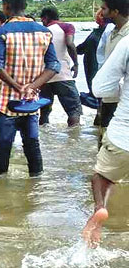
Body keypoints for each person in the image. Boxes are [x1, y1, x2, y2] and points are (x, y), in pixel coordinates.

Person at [0, 0, 60, 176]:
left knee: (3, 148)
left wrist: (17, 86)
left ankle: (0, 190)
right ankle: (36, 190)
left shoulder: (2, 32)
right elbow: (53, 66)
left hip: (6, 102)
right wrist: (32, 87)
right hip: (31, 102)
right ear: (25, 5)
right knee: (32, 146)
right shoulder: (44, 32)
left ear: (5, 6)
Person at [82, 35, 129, 248]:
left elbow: (100, 88)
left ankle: (100, 208)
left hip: (124, 135)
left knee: (102, 178)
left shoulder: (127, 42)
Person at [94, 0, 129, 146]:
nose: (101, 12)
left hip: (122, 101)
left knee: (113, 144)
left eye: (104, 8)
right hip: (109, 96)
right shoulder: (111, 31)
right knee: (103, 139)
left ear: (115, 11)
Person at [38, 7, 82, 127]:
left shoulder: (41, 31)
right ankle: (74, 140)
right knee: (74, 111)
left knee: (44, 112)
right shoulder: (66, 26)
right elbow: (69, 43)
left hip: (44, 77)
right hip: (63, 75)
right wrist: (76, 64)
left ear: (46, 18)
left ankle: (45, 139)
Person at [77, 8, 107, 94]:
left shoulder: (100, 32)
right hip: (94, 65)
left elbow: (81, 48)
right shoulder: (100, 31)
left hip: (94, 66)